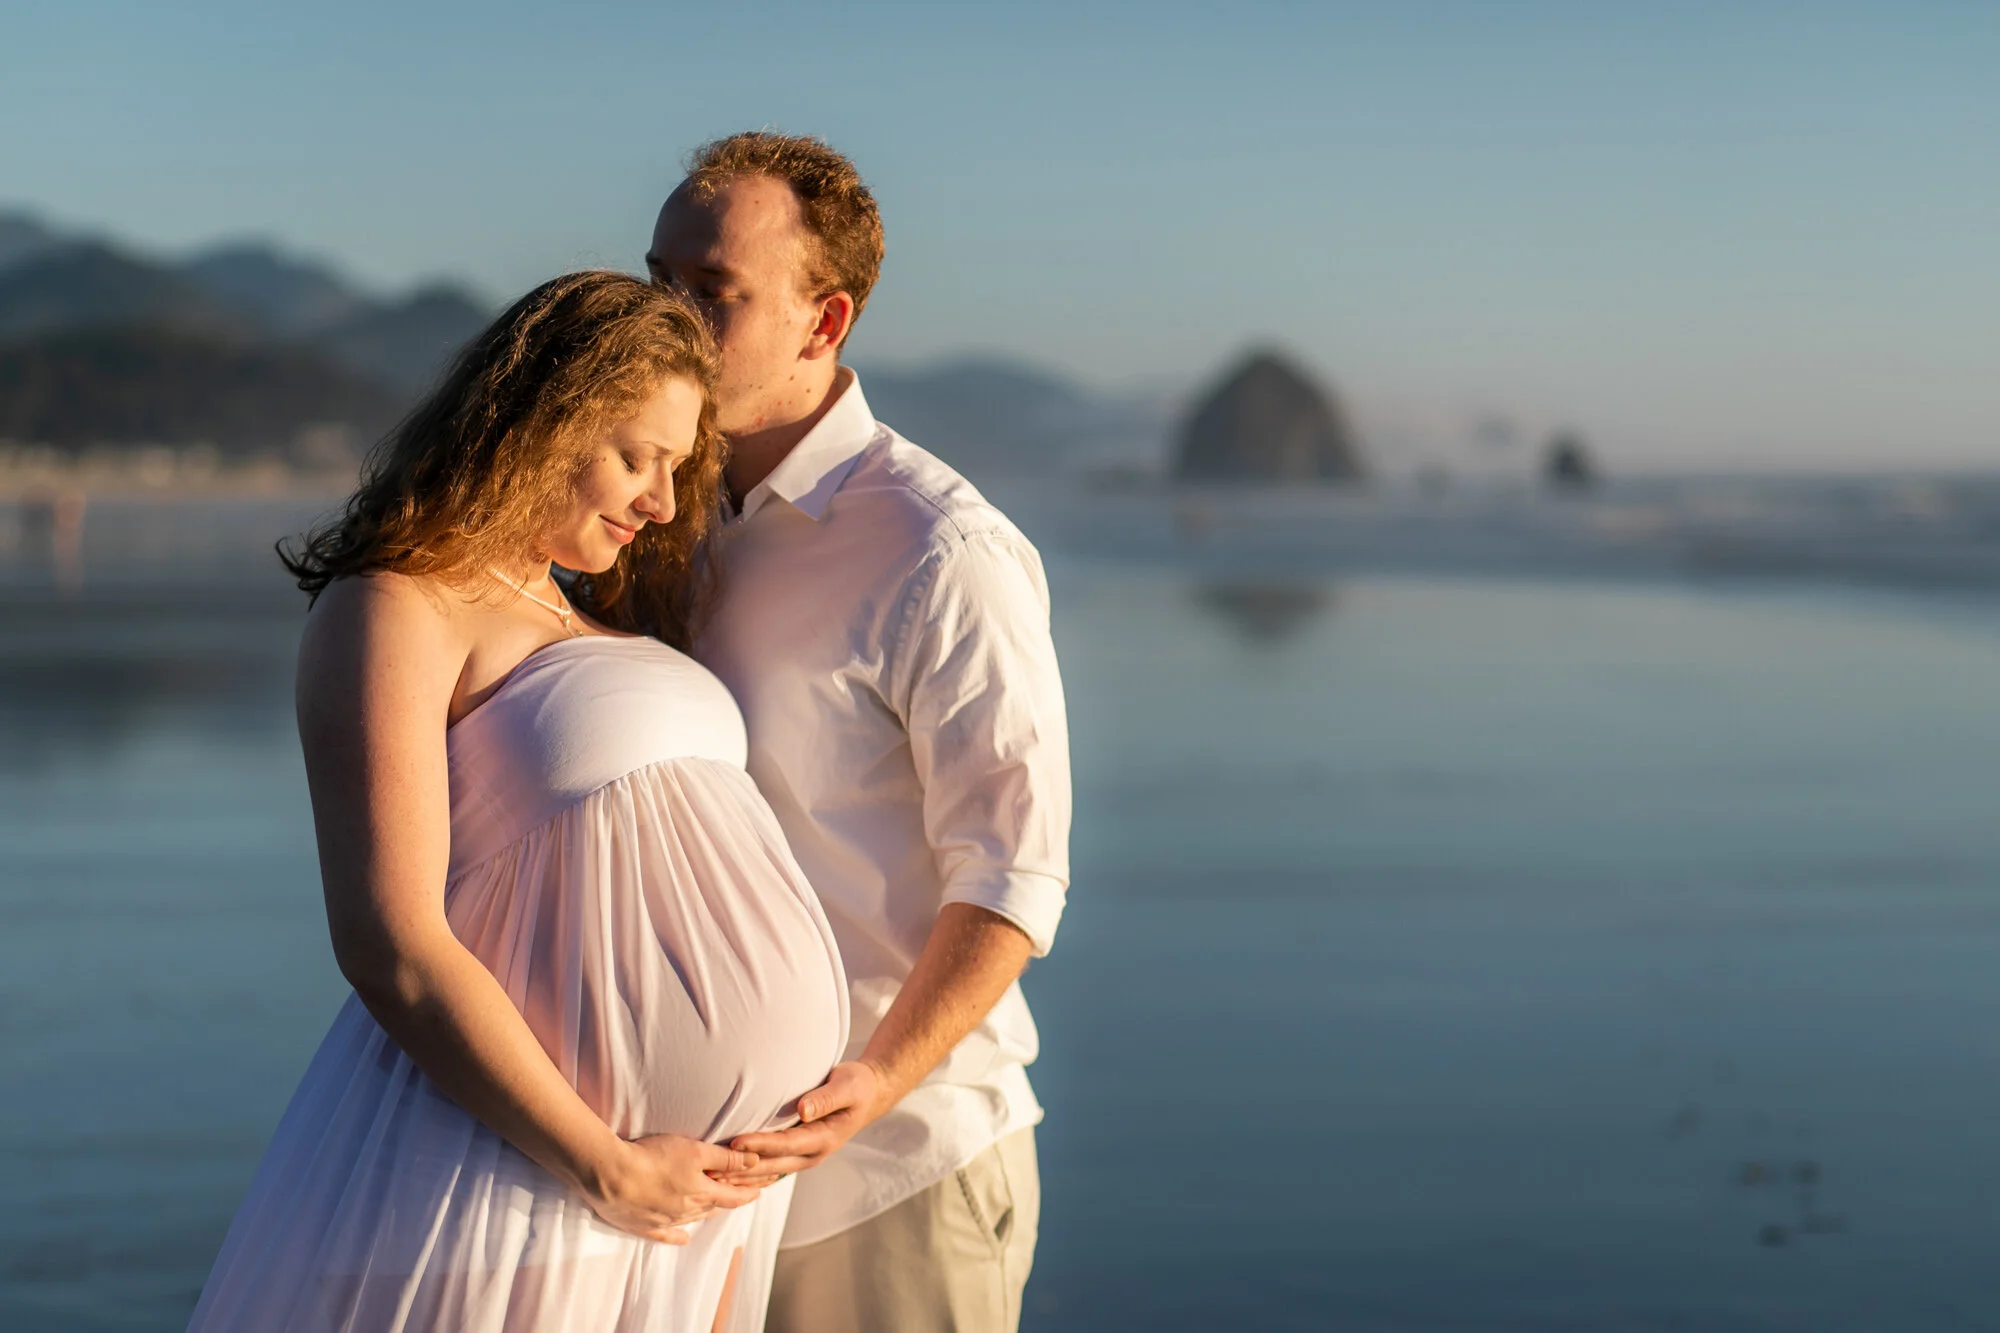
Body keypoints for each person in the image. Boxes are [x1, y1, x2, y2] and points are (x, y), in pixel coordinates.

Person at [187, 272, 848, 1333]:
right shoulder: (396, 604)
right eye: (639, 456)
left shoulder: (589, 610)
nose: (662, 502)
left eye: (679, 469)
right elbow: (389, 942)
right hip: (519, 1174)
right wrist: (602, 1164)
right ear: (542, 418)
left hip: (689, 1202)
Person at [646, 133, 1072, 1333]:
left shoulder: (940, 552)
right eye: (656, 279)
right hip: (701, 1180)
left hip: (895, 1177)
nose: (665, 321)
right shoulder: (657, 508)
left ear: (822, 323)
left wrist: (877, 1081)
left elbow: (1014, 878)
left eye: (711, 294)